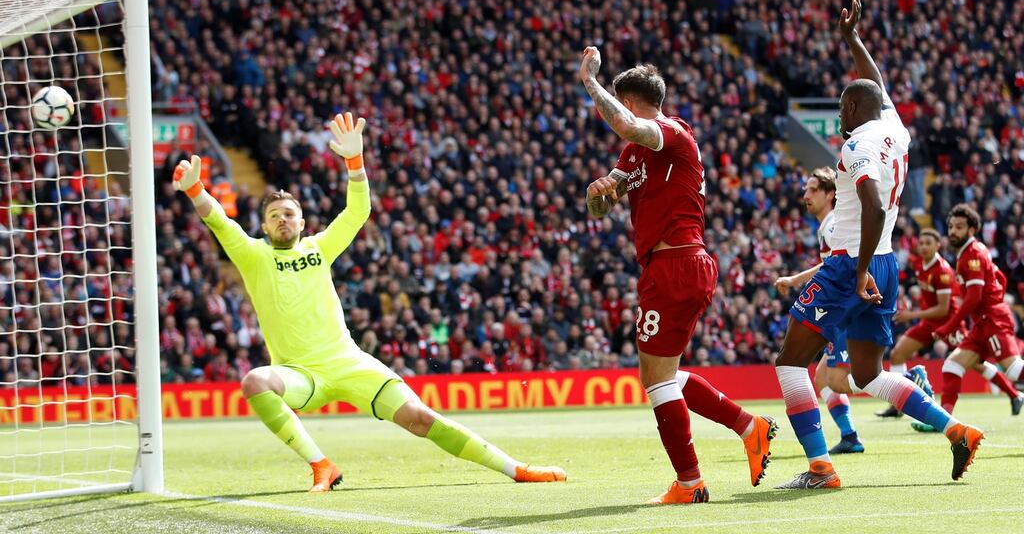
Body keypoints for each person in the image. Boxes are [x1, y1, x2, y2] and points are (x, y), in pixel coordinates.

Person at [173, 112, 565, 492]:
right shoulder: (253, 255)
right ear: (262, 226)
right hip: (299, 374)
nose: (282, 219)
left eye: (289, 214)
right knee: (256, 381)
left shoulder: (319, 247)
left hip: (349, 363)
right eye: (274, 215)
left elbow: (358, 211)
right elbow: (220, 221)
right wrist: (196, 190)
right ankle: (321, 466)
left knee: (420, 417)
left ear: (303, 222)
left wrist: (355, 163)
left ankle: (516, 469)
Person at [772, 0, 982, 490]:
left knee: (790, 364)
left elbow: (874, 204)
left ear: (848, 107)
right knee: (867, 376)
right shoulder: (895, 128)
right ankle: (956, 430)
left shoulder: (857, 143)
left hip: (852, 263)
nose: (840, 113)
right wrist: (853, 39)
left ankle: (821, 468)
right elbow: (878, 86)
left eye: (843, 105)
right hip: (885, 262)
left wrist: (859, 269)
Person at [581, 48, 776, 505]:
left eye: (614, 99)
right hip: (672, 266)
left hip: (677, 263)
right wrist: (598, 194)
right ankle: (750, 427)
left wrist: (589, 81)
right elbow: (605, 203)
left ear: (626, 100)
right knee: (666, 374)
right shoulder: (635, 154)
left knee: (656, 380)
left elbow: (630, 126)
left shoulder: (672, 133)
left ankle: (690, 483)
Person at [877, 228, 1021, 418]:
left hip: (949, 324)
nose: (923, 247)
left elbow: (944, 309)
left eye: (928, 243)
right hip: (928, 324)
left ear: (938, 246)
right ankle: (898, 405)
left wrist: (912, 315)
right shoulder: (919, 265)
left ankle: (1014, 394)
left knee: (977, 364)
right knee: (897, 354)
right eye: (921, 243)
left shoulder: (943, 270)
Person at [775, 168, 863, 454]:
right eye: (806, 189)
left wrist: (794, 279)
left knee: (840, 379)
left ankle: (908, 381)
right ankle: (850, 435)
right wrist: (795, 279)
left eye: (813, 190)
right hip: (839, 308)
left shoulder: (832, 225)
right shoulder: (826, 226)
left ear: (830, 194)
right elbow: (829, 265)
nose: (806, 195)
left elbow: (843, 264)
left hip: (840, 309)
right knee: (822, 378)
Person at [922, 205, 1024, 431]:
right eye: (950, 227)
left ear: (972, 229)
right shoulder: (974, 251)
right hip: (983, 322)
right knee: (952, 365)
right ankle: (944, 420)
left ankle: (1014, 395)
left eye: (959, 227)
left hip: (993, 320)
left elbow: (974, 298)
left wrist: (949, 325)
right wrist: (995, 295)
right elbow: (999, 277)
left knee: (1015, 370)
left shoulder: (972, 254)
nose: (953, 231)